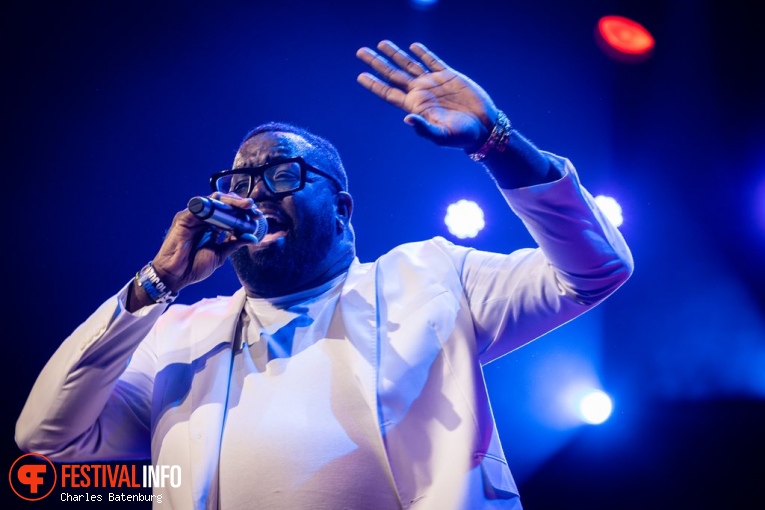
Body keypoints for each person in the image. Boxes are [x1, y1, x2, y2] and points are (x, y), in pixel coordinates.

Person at [16, 40, 633, 509]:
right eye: (240, 182)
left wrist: (498, 141)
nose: (255, 194)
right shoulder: (177, 334)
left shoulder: (433, 278)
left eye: (281, 174)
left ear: (342, 210)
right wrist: (156, 282)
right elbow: (45, 438)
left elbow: (595, 269)